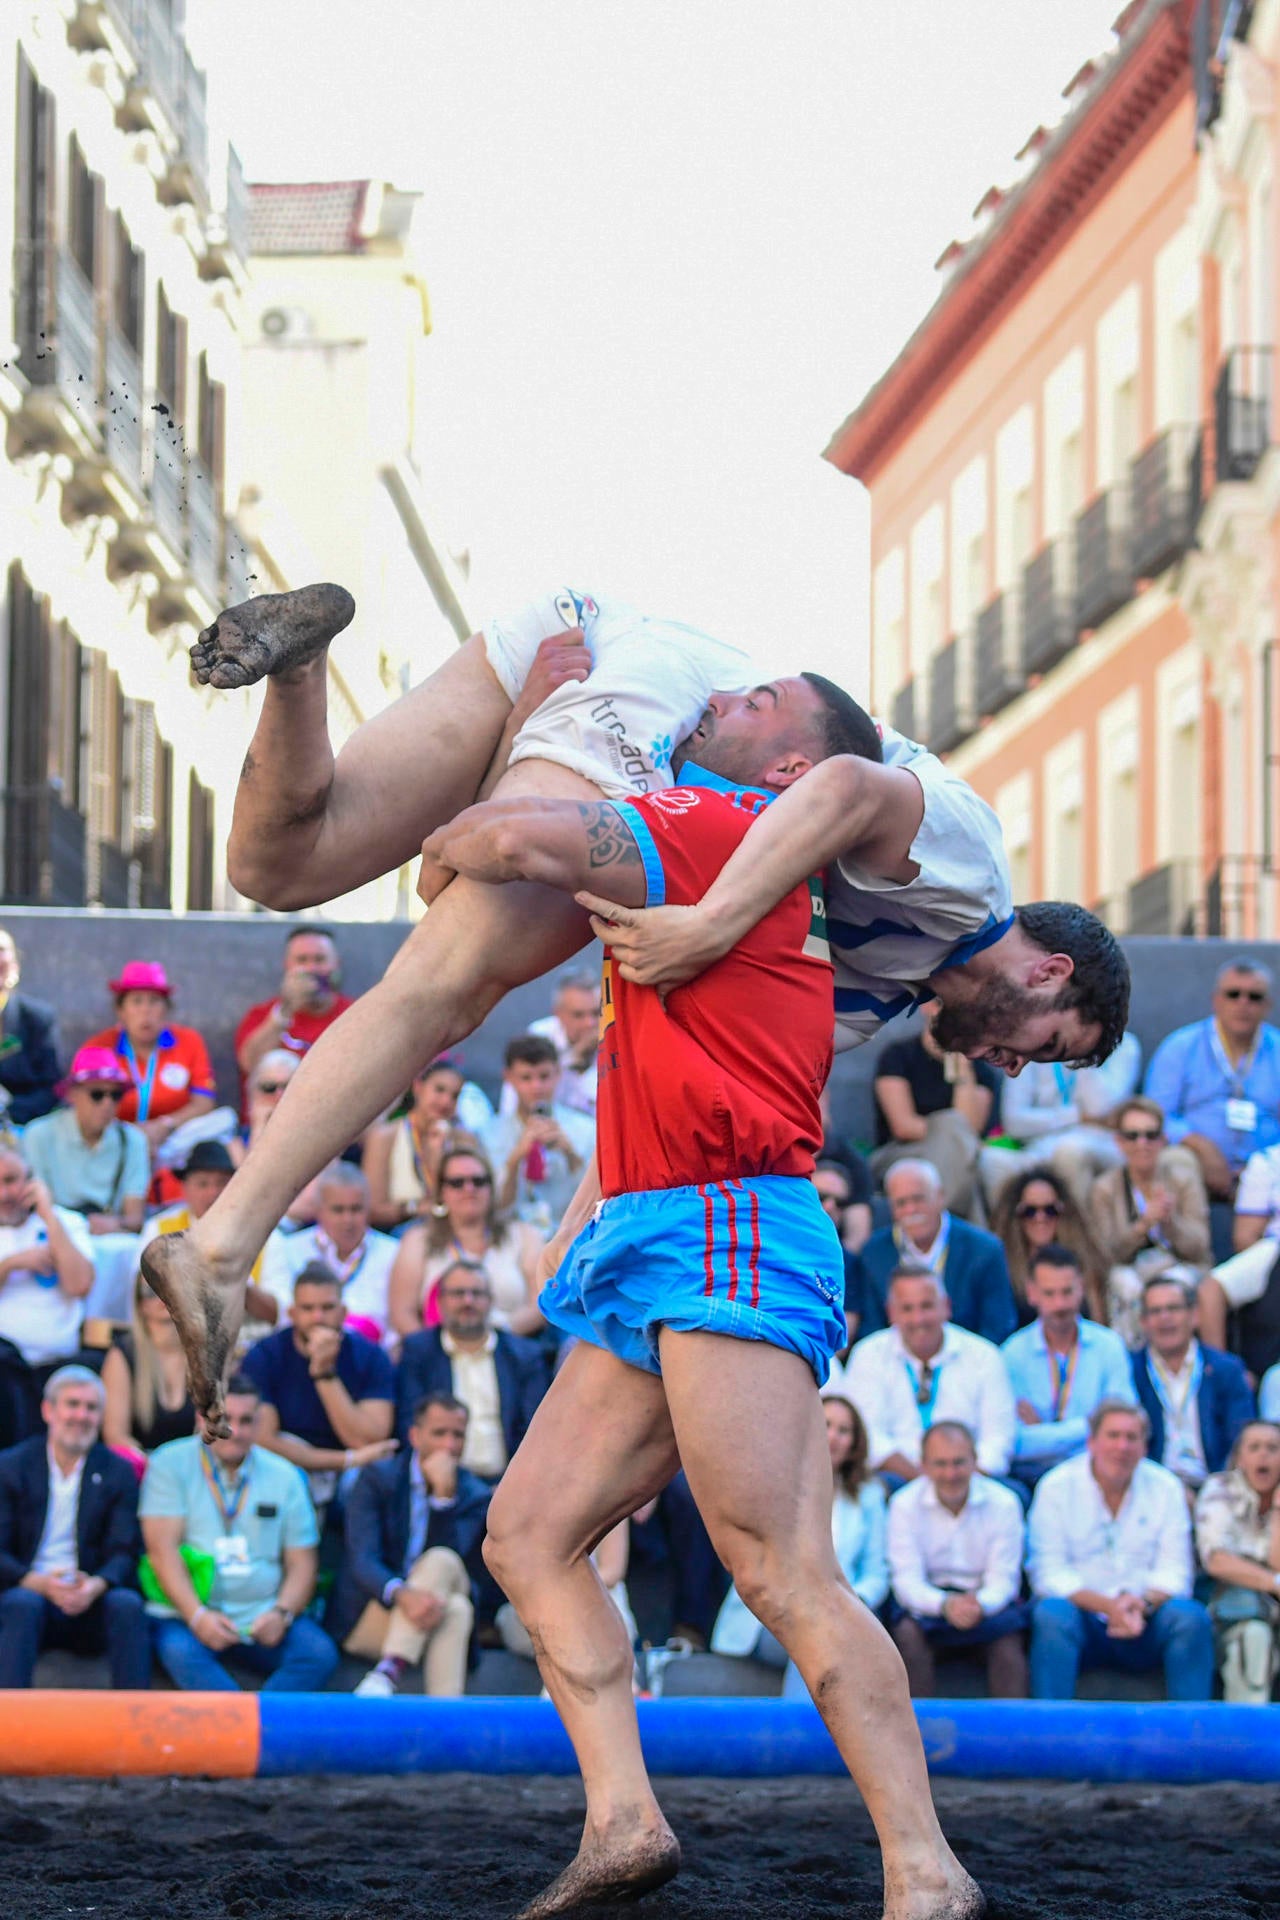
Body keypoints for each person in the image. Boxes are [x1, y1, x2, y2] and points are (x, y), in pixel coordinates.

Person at [144, 582, 1126, 1443]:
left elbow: (664, 1053)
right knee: (450, 980)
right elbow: (836, 785)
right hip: (672, 697)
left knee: (278, 867)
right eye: (1047, 1047)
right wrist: (708, 924)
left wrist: (579, 1231)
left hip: (567, 646)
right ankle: (222, 1248)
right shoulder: (970, 868)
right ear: (1046, 974)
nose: (1011, 1066)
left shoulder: (870, 1002)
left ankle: (299, 665)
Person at [412, 738, 986, 1915]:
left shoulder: (720, 819)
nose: (715, 704)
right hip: (667, 1226)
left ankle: (926, 1874)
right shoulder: (746, 858)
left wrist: (436, 843)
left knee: (782, 1571)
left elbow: (512, 836)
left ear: (780, 751)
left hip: (722, 1217)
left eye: (745, 702)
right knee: (524, 1534)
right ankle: (623, 1821)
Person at [139, 1371, 338, 1691]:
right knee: (180, 1651)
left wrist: (282, 1613)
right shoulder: (169, 1463)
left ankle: (254, 1721)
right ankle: (249, 1725)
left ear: (259, 1423)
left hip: (261, 1616)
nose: (235, 1430)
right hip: (187, 1616)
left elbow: (302, 1561)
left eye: (247, 1420)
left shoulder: (285, 1475)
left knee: (318, 1654)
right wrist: (198, 1616)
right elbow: (162, 1552)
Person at [1026, 1398, 1214, 1700]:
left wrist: (1139, 1604)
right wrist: (1108, 1606)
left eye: (1132, 1438)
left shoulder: (1165, 1487)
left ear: (1144, 1445)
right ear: (1092, 1441)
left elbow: (1176, 1572)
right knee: (1052, 1614)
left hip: (1146, 1616)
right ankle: (1050, 1734)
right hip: (1083, 1617)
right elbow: (1048, 1573)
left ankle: (1193, 1736)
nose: (1122, 1447)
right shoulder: (1056, 1486)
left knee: (1189, 1617)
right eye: (1113, 1436)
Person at [328, 1389, 492, 1697]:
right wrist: (404, 1595)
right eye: (439, 1433)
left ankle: (390, 1670)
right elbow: (362, 1558)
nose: (450, 1445)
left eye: (458, 1435)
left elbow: (457, 1564)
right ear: (415, 1436)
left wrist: (444, 1499)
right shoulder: (378, 1477)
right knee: (454, 1608)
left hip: (429, 1610)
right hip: (374, 1612)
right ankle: (447, 1723)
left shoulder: (474, 1494)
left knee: (447, 1579)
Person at [712, 1394, 889, 1667]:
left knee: (828, 1633)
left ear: (855, 1442)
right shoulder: (773, 1483)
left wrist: (850, 1603)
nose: (833, 1436)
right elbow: (758, 1565)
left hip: (844, 1614)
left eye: (844, 1431)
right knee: (816, 1637)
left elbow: (876, 1573)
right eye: (826, 1424)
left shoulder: (869, 1495)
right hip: (772, 1614)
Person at [0, 1365, 150, 1687]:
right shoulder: (11, 1467)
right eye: (72, 1404)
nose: (81, 1415)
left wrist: (96, 1584)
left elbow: (125, 1549)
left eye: (92, 1407)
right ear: (48, 1410)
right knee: (20, 1605)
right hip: (30, 1591)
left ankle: (137, 1726)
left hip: (90, 1596)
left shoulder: (118, 1471)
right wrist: (37, 1583)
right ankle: (10, 1727)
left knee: (127, 1605)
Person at [887, 1421, 1028, 1698]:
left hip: (984, 1603)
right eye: (940, 1464)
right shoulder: (903, 1504)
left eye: (959, 1463)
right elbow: (906, 1581)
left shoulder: (1005, 1503)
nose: (950, 1474)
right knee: (906, 1636)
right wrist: (945, 1604)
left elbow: (1004, 1581)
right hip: (928, 1604)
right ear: (924, 1465)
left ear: (975, 1461)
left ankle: (1015, 1736)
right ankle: (914, 1736)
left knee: (1008, 1645)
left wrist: (979, 1604)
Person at [239, 1264, 397, 1510]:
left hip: (351, 1476)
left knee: (370, 1477)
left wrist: (324, 1373)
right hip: (290, 1466)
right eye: (308, 1308)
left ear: (343, 1311)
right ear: (292, 1313)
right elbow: (263, 1441)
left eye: (327, 1308)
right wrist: (346, 1460)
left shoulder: (371, 1356)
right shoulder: (264, 1356)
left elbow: (369, 1439)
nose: (317, 1318)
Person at [842, 1270, 1016, 1485]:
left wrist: (956, 1480)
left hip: (971, 1480)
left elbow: (999, 1439)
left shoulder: (984, 1356)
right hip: (898, 1479)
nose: (918, 1319)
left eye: (926, 1306)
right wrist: (923, 1483)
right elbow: (868, 1436)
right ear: (891, 1313)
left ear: (946, 1307)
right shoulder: (868, 1355)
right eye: (907, 1308)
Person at [395, 1260, 547, 1480]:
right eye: (458, 1293)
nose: (468, 1301)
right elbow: (409, 1422)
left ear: (491, 1301)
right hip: (437, 1479)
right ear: (440, 1301)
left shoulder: (525, 1356)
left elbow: (535, 1430)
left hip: (510, 1481)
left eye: (477, 1293)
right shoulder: (419, 1352)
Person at [1144, 958, 1280, 1202]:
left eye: (1254, 997)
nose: (1243, 1003)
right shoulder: (1181, 1046)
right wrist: (1199, 1146)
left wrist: (1262, 1165)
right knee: (1174, 1161)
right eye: (1233, 994)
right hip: (1194, 1161)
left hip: (1267, 1169)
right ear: (1216, 1000)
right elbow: (1155, 1116)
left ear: (1267, 1005)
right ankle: (1188, 1241)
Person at [1000, 1246, 1132, 1490]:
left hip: (1096, 1469)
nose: (1060, 1304)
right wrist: (1090, 1425)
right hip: (1031, 1475)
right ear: (1032, 1294)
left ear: (1081, 1288)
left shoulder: (1108, 1346)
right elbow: (1013, 1442)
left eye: (1067, 1292)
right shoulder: (1012, 1354)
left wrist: (1044, 1432)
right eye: (1049, 1294)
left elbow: (1121, 1427)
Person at [387, 1139, 546, 1338]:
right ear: (441, 1191)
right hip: (438, 1354)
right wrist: (435, 1350)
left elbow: (541, 1303)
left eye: (478, 1181)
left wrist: (494, 1341)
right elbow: (402, 1313)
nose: (469, 1189)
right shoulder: (417, 1240)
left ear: (491, 1187)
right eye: (457, 1183)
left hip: (510, 1349)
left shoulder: (525, 1235)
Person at [848, 1159, 1016, 1345]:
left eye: (918, 1199)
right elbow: (872, 1330)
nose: (911, 1210)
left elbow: (997, 1327)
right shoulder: (873, 1253)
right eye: (901, 1203)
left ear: (940, 1196)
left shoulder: (984, 1250)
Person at [1090, 1096, 1211, 1349]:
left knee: (1177, 1284)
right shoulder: (1105, 1189)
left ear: (1163, 1140)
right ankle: (1133, 1364)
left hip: (1177, 1264)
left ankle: (1181, 1360)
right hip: (1131, 1269)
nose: (1142, 1143)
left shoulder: (1183, 1179)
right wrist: (1144, 1224)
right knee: (1124, 1283)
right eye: (1133, 1136)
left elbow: (1200, 1248)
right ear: (1119, 1142)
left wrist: (1170, 1222)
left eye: (1150, 1135)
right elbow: (1106, 1256)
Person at [976, 1034, 1141, 1207]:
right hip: (1039, 1146)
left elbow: (1100, 1108)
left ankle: (1077, 1232)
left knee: (1068, 1150)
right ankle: (1004, 1233)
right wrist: (1075, 1116)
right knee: (992, 1160)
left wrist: (1083, 1050)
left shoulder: (1123, 1044)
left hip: (1099, 1142)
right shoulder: (1029, 1045)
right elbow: (1014, 1122)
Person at [0, 1150, 95, 1447]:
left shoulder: (67, 1222)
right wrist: (11, 1264)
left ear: (31, 1180)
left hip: (59, 1365)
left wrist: (49, 1217)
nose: (4, 1193)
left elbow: (80, 1284)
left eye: (11, 1180)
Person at [1130, 1273, 1254, 1496]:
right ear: (1143, 1321)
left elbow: (1239, 1437)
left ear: (1194, 1315)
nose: (1165, 1318)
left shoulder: (1226, 1369)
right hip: (1148, 1488)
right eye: (1155, 1311)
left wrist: (1213, 1491)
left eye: (1173, 1308)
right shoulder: (1130, 1370)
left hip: (1216, 1487)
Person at [872, 1004, 998, 1217]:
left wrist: (962, 1068)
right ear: (924, 1006)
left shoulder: (980, 1070)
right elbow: (902, 1126)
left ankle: (941, 1222)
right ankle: (955, 1228)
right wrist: (948, 1131)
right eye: (940, 1002)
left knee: (958, 1152)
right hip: (902, 1152)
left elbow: (970, 1128)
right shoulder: (898, 1056)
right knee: (957, 1146)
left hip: (957, 1154)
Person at [83, 961, 216, 1161]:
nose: (146, 1011)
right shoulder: (98, 1047)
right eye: (136, 1001)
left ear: (166, 1009)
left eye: (154, 1001)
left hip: (176, 1141)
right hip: (114, 1142)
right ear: (121, 1011)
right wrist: (131, 1135)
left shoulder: (190, 1042)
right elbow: (84, 1107)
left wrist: (166, 1125)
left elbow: (204, 1102)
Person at [140, 1141, 275, 1329]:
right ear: (185, 1188)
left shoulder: (266, 1235)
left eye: (222, 1183)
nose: (213, 1192)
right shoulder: (159, 1229)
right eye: (203, 1184)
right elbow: (141, 1297)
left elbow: (280, 1314)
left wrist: (234, 1281)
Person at [258, 1162, 398, 1340]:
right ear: (319, 1210)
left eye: (356, 1209)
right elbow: (284, 1315)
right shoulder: (290, 1249)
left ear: (368, 1209)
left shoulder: (393, 1253)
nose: (348, 1219)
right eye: (338, 1210)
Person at [1193, 1420, 1280, 1703]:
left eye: (1273, 1448)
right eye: (1254, 1448)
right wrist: (1273, 1582)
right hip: (1231, 1614)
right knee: (1254, 1637)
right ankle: (1251, 1740)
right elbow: (1217, 1561)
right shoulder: (1220, 1489)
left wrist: (1279, 1511)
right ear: (1239, 1457)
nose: (1263, 1456)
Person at [22, 1047, 149, 1236]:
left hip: (110, 1242)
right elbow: (33, 1208)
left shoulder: (133, 1140)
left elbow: (135, 1218)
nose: (108, 1104)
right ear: (72, 1095)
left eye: (115, 1095)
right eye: (97, 1094)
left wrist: (115, 1223)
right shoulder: (38, 1135)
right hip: (53, 1236)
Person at [481, 1034, 595, 1230]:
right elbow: (493, 1207)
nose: (537, 1087)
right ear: (508, 1077)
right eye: (526, 1078)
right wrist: (516, 1158)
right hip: (513, 1239)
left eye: (544, 1076)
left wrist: (570, 1154)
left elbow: (597, 1204)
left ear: (558, 1073)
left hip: (570, 1236)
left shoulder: (587, 1129)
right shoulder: (489, 1134)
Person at [234, 925, 354, 1099]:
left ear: (336, 964)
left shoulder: (357, 1013)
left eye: (320, 959)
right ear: (287, 966)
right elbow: (250, 1066)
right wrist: (286, 1009)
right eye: (302, 960)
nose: (311, 969)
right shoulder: (261, 1015)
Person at [990, 1165, 1107, 1329]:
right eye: (1029, 1211)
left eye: (1050, 1210)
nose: (1040, 1218)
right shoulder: (1001, 1267)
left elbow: (1097, 1323)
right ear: (1015, 1216)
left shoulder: (1084, 1262)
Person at [1196, 1137, 1280, 1366]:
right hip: (1274, 1248)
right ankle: (1222, 1376)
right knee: (1211, 1289)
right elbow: (1245, 1236)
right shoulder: (1268, 1161)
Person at [364, 1057, 466, 1232]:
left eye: (454, 1096)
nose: (445, 1102)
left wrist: (437, 1161)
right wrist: (415, 1208)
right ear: (418, 1087)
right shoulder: (384, 1136)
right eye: (439, 1090)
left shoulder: (463, 1140)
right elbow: (373, 1209)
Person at [102, 1274, 197, 1458]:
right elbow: (115, 1435)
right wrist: (154, 1470)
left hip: (195, 1473)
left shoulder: (208, 1356)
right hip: (142, 1471)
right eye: (152, 1291)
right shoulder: (122, 1355)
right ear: (141, 1304)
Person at [502, 969, 602, 1119]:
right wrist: (575, 1057)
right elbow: (517, 1100)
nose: (590, 1023)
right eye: (578, 1015)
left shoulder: (613, 1038)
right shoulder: (540, 1036)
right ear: (557, 1013)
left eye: (596, 1013)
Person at [0, 926, 61, 1124]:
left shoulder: (37, 1018)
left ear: (14, 966)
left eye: (1, 950)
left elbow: (50, 1088)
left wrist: (7, 1111)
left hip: (22, 1126)